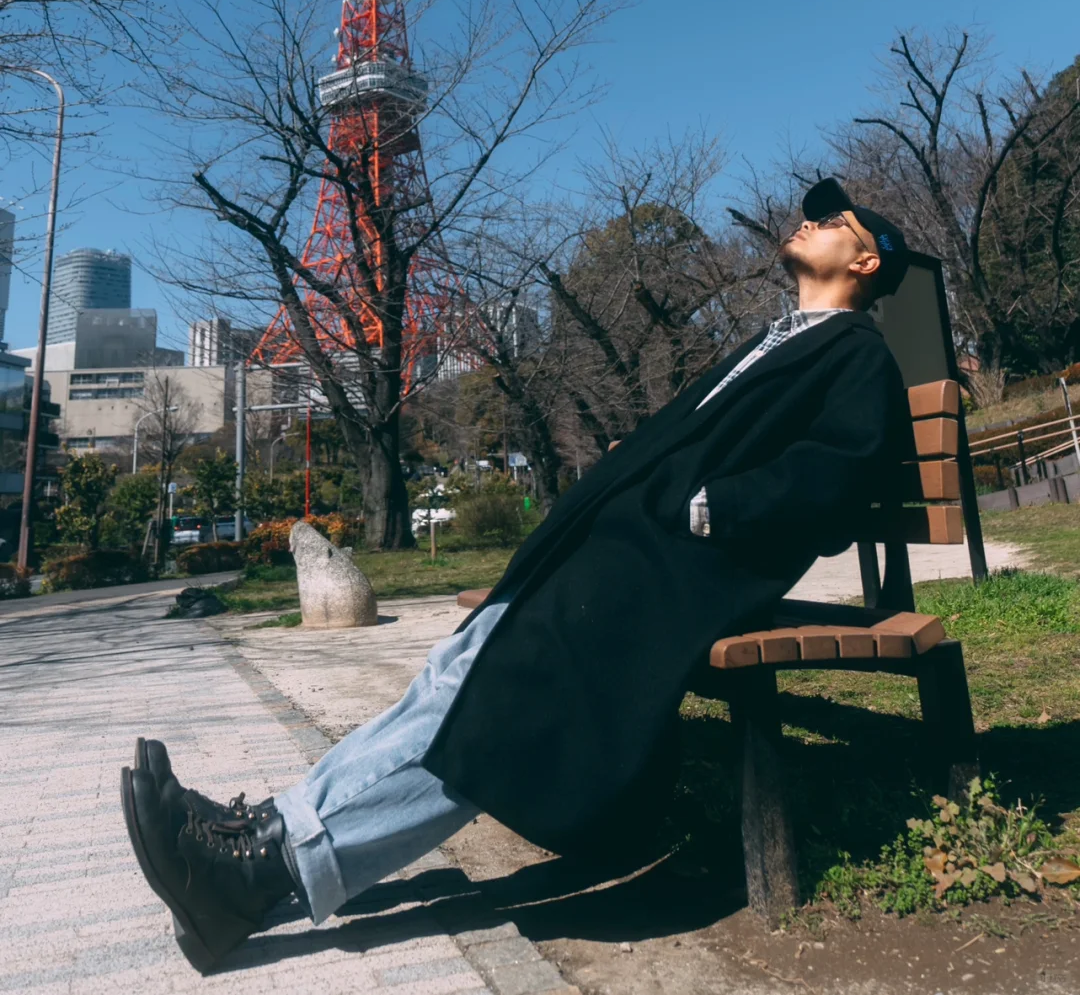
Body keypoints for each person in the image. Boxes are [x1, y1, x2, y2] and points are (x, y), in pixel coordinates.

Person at [122, 178, 914, 973]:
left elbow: (842, 471)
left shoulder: (857, 354)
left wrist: (711, 506)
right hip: (618, 557)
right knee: (453, 678)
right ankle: (263, 833)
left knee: (493, 711)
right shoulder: (778, 337)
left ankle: (261, 870)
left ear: (868, 257)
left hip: (673, 575)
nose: (808, 221)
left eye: (831, 219)